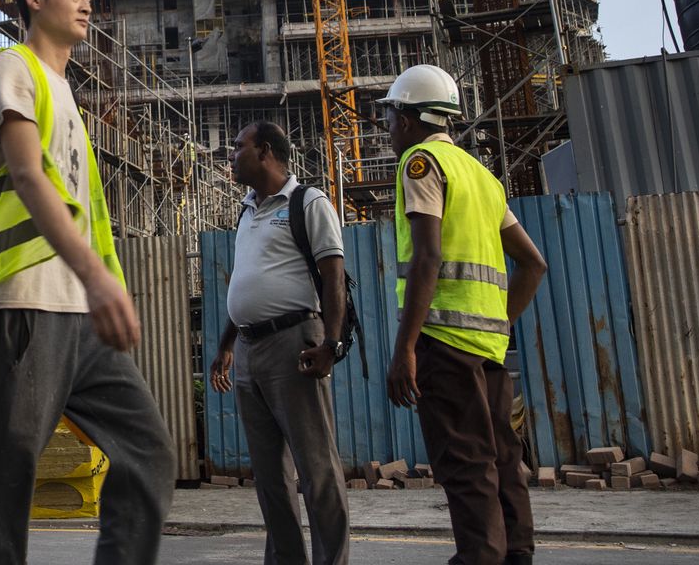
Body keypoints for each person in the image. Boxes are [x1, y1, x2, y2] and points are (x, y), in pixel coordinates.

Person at [0, 0, 174, 565]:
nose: (86, 5)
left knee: (148, 449)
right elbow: (28, 176)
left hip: (79, 314)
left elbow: (89, 215)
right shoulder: (12, 68)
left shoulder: (70, 99)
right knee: (3, 482)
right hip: (22, 304)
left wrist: (110, 286)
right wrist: (96, 279)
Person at [381, 65, 548, 565]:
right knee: (502, 458)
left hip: (443, 343)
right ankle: (516, 555)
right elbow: (533, 264)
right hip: (489, 348)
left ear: (409, 118)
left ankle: (480, 558)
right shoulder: (482, 177)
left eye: (390, 116)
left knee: (464, 462)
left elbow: (427, 258)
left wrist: (406, 348)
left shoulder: (421, 162)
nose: (388, 128)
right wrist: (501, 322)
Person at [208, 121, 350, 565]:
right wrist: (227, 344)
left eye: (237, 146)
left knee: (317, 469)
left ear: (265, 151)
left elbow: (334, 278)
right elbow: (246, 283)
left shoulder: (307, 202)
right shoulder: (247, 209)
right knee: (270, 478)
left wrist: (331, 344)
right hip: (249, 351)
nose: (229, 155)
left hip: (295, 344)